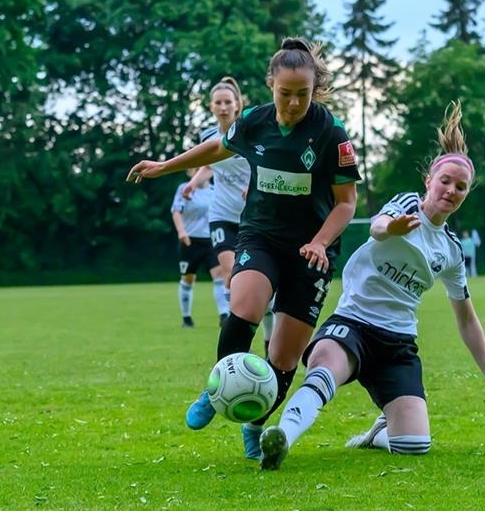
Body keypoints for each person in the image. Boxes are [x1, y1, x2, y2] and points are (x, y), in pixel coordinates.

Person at [256, 102, 485, 471]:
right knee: (323, 371)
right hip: (353, 324)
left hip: (397, 343)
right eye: (445, 181)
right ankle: (282, 438)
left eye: (461, 187)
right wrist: (394, 227)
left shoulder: (451, 250)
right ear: (429, 181)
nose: (451, 190)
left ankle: (378, 434)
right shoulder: (406, 205)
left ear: (466, 194)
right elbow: (377, 227)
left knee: (415, 446)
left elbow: (467, 319)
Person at [127, 37, 361, 459]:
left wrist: (320, 242)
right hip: (260, 236)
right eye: (284, 93)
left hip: (312, 252)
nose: (292, 103)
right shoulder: (254, 120)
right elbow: (218, 147)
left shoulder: (331, 133)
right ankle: (216, 389)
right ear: (271, 85)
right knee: (246, 306)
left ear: (315, 89)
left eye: (302, 95)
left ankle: (254, 425)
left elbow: (347, 203)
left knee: (284, 356)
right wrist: (166, 166)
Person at [182, 77, 274, 346]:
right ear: (211, 106)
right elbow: (208, 165)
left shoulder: (250, 134)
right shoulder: (207, 136)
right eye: (218, 102)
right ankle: (239, 331)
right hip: (221, 214)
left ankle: (268, 334)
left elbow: (268, 163)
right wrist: (192, 183)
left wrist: (254, 185)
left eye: (228, 102)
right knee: (233, 276)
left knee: (260, 286)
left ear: (237, 106)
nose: (223, 107)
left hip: (253, 218)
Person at [171, 168, 228, 328]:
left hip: (211, 240)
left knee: (219, 276)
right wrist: (181, 231)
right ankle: (187, 318)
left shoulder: (215, 189)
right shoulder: (184, 189)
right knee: (188, 279)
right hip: (190, 240)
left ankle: (224, 315)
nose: (196, 172)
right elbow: (176, 211)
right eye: (193, 169)